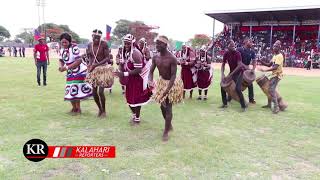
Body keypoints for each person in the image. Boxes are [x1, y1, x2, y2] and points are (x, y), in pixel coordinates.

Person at [149, 35, 183, 141]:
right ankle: (169, 124)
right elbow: (151, 71)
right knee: (162, 107)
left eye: (159, 43)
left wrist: (167, 90)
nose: (157, 45)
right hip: (161, 82)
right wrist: (150, 80)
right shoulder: (155, 57)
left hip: (171, 84)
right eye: (156, 43)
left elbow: (173, 75)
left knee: (168, 107)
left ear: (165, 44)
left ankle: (166, 131)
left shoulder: (172, 58)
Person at [114, 34, 152, 125]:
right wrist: (119, 71)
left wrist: (123, 74)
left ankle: (137, 118)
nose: (126, 46)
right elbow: (123, 65)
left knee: (136, 99)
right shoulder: (125, 52)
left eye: (128, 44)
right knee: (129, 99)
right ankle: (134, 115)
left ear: (132, 44)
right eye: (125, 44)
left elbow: (138, 70)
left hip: (137, 79)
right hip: (130, 79)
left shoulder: (135, 53)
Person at [58, 32, 92, 115]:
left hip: (79, 71)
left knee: (75, 89)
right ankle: (74, 108)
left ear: (69, 42)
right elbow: (61, 60)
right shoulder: (61, 50)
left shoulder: (74, 48)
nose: (64, 44)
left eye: (65, 42)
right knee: (69, 89)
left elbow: (79, 60)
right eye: (62, 42)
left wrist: (66, 67)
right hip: (70, 72)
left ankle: (78, 109)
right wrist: (61, 67)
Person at [85, 29, 112, 118]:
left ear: (100, 37)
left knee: (100, 92)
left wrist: (96, 64)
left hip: (103, 69)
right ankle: (100, 109)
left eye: (98, 37)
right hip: (93, 70)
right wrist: (89, 64)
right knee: (94, 92)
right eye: (95, 37)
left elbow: (107, 58)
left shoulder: (104, 44)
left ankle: (104, 111)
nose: (96, 39)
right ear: (92, 36)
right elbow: (89, 56)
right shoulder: (89, 45)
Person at [258, 42, 285, 114]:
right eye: (273, 46)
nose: (274, 48)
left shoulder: (279, 56)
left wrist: (265, 70)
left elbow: (275, 67)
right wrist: (261, 61)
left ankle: (276, 107)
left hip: (277, 75)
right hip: (274, 75)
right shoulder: (275, 56)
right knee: (268, 88)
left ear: (279, 48)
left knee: (271, 89)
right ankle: (269, 104)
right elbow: (269, 64)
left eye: (276, 47)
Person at [220, 40, 247, 112]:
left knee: (238, 89)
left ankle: (243, 106)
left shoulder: (237, 53)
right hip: (232, 72)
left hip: (239, 73)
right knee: (223, 86)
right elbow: (223, 64)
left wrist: (230, 75)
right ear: (228, 46)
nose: (233, 47)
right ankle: (225, 103)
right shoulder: (226, 53)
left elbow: (239, 65)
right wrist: (222, 74)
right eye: (231, 46)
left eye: (234, 46)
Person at [237, 37, 257, 104]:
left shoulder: (252, 51)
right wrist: (246, 67)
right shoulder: (239, 49)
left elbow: (254, 61)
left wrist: (253, 69)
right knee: (235, 83)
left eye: (252, 42)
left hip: (246, 70)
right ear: (245, 42)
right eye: (250, 42)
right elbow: (238, 61)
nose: (252, 43)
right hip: (238, 69)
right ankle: (230, 96)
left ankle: (251, 99)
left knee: (250, 84)